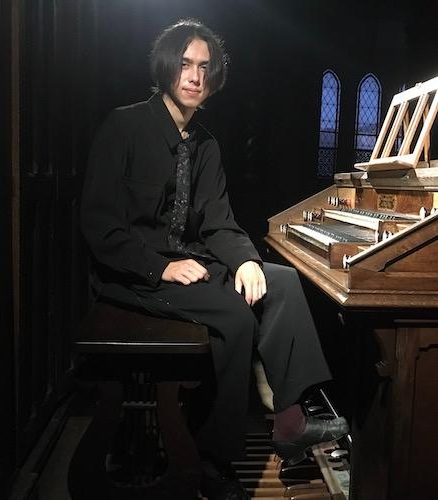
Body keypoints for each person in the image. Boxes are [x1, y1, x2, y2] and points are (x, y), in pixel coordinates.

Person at [81, 18, 348, 500]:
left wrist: (245, 261)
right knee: (235, 318)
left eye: (205, 67)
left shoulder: (205, 144)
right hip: (134, 275)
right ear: (166, 67)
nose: (195, 76)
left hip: (191, 264)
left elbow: (219, 222)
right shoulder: (124, 126)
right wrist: (160, 267)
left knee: (281, 282)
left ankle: (291, 419)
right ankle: (210, 459)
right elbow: (100, 226)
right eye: (185, 64)